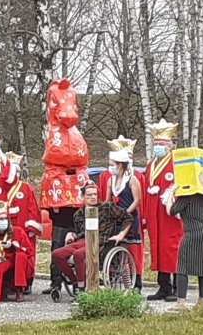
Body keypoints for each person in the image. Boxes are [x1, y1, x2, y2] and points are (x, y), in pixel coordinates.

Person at [52, 180, 134, 293]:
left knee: (78, 254)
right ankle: (75, 281)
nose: (93, 197)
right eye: (89, 195)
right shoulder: (78, 214)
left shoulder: (107, 207)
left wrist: (121, 235)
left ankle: (81, 287)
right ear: (82, 196)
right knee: (57, 254)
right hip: (82, 240)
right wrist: (72, 234)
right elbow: (79, 232)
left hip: (100, 242)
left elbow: (128, 218)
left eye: (95, 194)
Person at [143, 119, 183, 302]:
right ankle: (163, 285)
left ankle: (176, 287)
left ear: (169, 145)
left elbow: (182, 185)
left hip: (170, 213)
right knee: (157, 247)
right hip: (154, 212)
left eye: (161, 144)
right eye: (156, 144)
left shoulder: (177, 162)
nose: (158, 147)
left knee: (171, 248)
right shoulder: (151, 165)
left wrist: (171, 196)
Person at [165, 188, 203, 312]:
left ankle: (181, 302)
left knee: (182, 267)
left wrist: (171, 193)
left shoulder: (187, 197)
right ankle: (202, 300)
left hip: (192, 234)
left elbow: (171, 211)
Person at [104, 149, 143, 291]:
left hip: (129, 216)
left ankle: (133, 285)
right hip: (115, 217)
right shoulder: (110, 180)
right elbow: (108, 201)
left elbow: (137, 200)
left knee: (126, 250)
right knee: (114, 249)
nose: (110, 167)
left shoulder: (132, 179)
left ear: (119, 165)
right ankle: (119, 280)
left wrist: (125, 213)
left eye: (112, 164)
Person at [4, 152, 42, 294]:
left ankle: (27, 281)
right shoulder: (1, 186)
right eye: (14, 171)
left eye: (18, 171)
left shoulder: (26, 188)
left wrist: (32, 226)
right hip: (5, 230)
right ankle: (7, 282)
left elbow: (33, 208)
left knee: (26, 256)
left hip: (23, 231)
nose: (17, 174)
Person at [0, 199, 34, 303]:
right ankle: (0, 290)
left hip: (20, 266)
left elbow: (29, 251)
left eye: (6, 219)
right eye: (1, 219)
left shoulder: (18, 231)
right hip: (1, 264)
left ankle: (20, 291)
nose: (3, 221)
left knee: (20, 256)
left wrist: (14, 246)